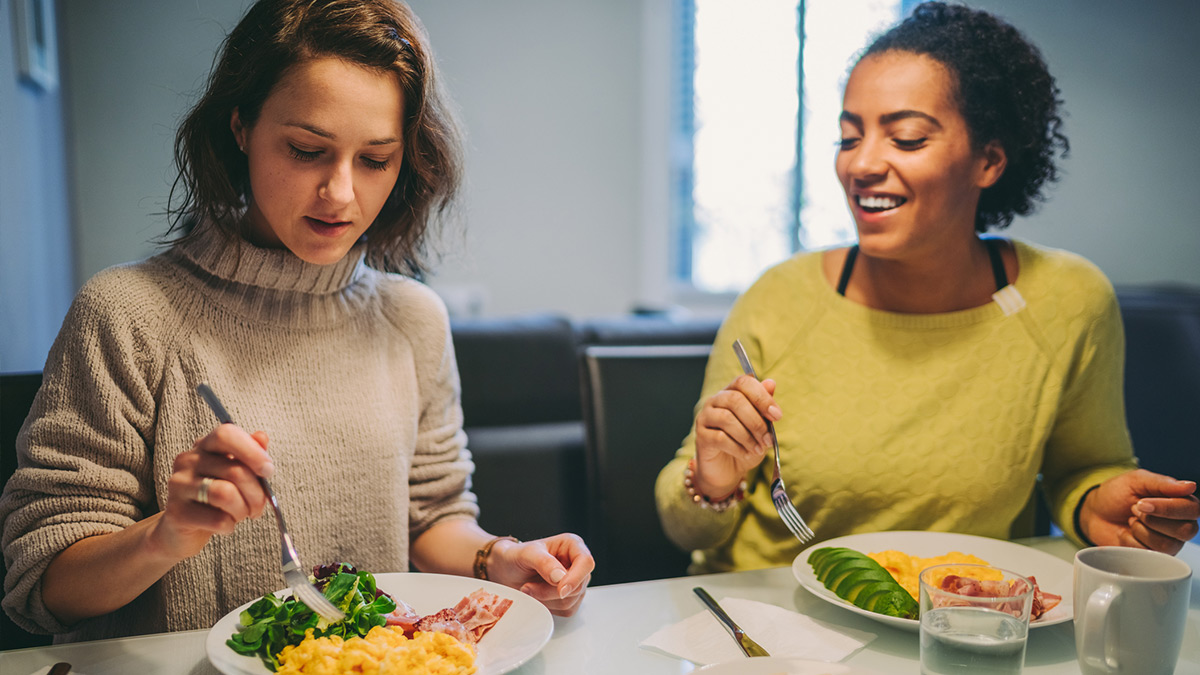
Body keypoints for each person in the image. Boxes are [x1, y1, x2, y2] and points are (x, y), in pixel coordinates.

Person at [0, 0, 592, 642]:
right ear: (241, 127)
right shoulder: (127, 315)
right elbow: (41, 588)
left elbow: (431, 517)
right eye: (308, 150)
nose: (340, 193)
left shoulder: (412, 320)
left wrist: (498, 557)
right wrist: (167, 535)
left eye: (374, 160)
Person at [656, 1, 1199, 575]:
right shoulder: (779, 297)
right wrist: (713, 477)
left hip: (959, 628)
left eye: (907, 139)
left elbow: (1082, 470)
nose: (861, 164)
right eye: (848, 137)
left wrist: (1097, 509)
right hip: (770, 630)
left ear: (988, 161)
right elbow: (682, 525)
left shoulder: (1068, 301)